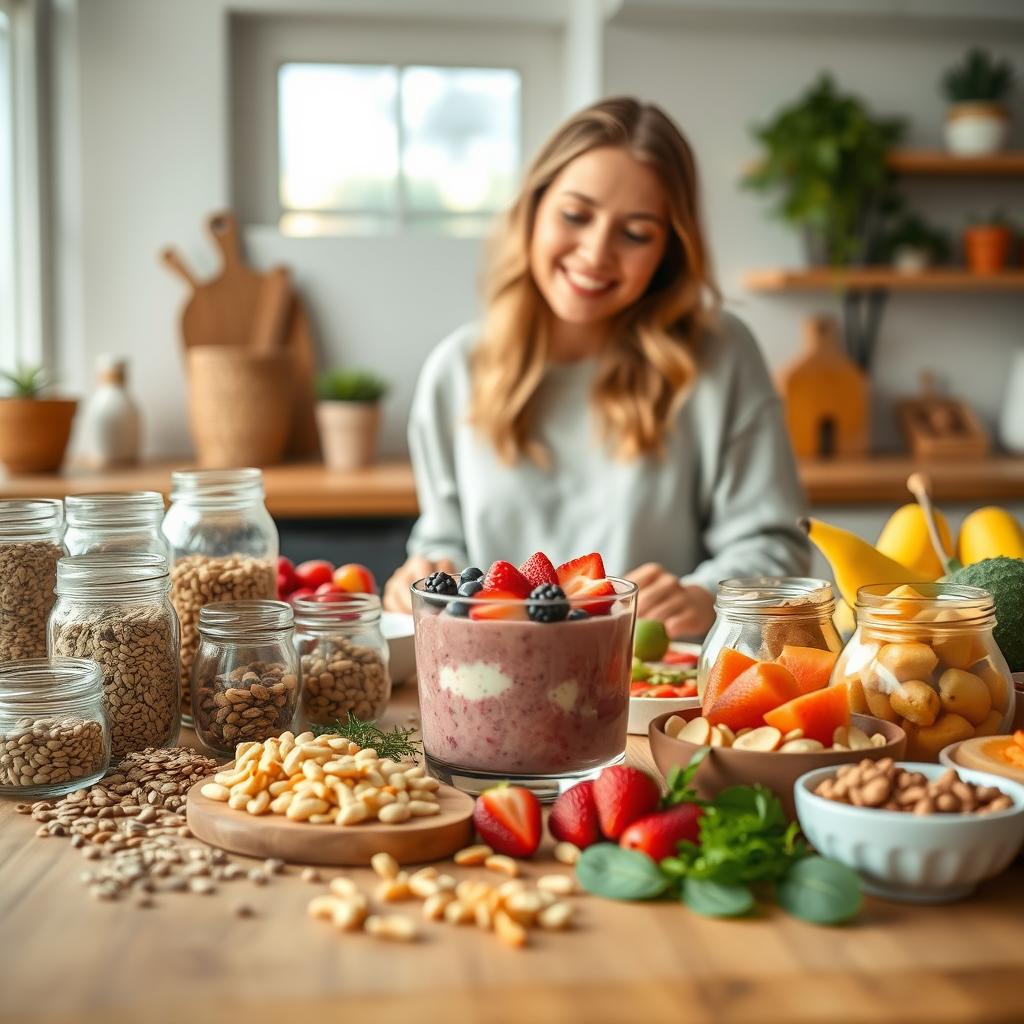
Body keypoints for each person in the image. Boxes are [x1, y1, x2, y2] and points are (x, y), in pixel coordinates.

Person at [383, 97, 809, 637]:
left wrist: (704, 597)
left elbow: (778, 546)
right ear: (532, 210)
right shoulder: (456, 370)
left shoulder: (721, 356)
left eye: (635, 233)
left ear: (668, 251)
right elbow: (444, 543)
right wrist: (424, 573)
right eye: (575, 215)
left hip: (650, 689)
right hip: (495, 679)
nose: (595, 254)